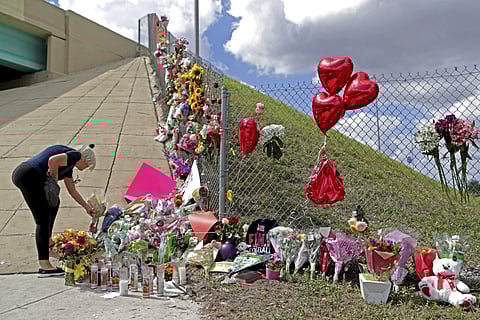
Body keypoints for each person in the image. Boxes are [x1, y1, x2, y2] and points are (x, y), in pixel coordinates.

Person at [11, 144, 97, 277]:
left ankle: (48, 243)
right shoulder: (75, 155)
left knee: (53, 204)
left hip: (26, 175)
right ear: (85, 159)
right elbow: (52, 160)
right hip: (29, 176)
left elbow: (72, 191)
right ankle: (44, 265)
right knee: (42, 219)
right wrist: (54, 180)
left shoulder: (69, 166)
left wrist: (87, 207)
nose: (85, 168)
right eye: (87, 165)